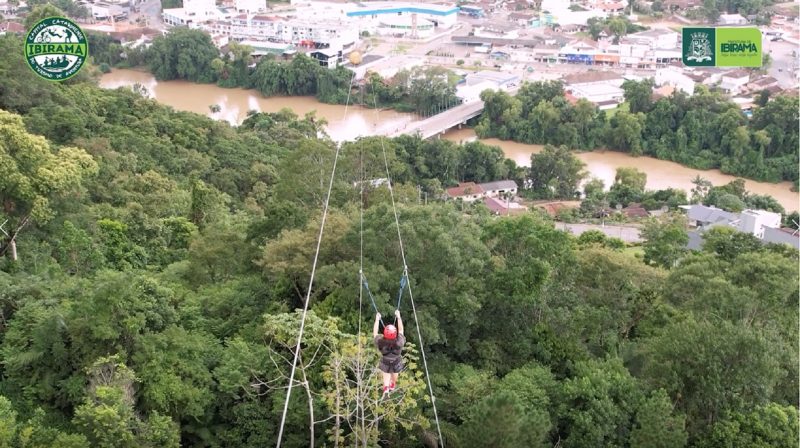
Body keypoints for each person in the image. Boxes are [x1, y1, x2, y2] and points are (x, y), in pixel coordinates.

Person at [373, 310, 404, 396]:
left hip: (385, 361)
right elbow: (401, 330)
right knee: (395, 374)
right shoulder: (399, 342)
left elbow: (375, 334)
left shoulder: (380, 342)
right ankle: (392, 384)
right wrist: (398, 317)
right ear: (395, 334)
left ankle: (386, 387)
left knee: (386, 373)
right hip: (396, 361)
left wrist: (377, 320)